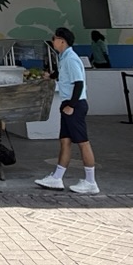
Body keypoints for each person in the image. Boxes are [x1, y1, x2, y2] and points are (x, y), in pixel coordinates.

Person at [35, 27, 99, 194]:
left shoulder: (70, 59)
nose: (52, 40)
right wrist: (51, 76)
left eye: (54, 38)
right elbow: (63, 74)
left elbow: (79, 83)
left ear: (62, 41)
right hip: (68, 104)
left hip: (75, 105)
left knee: (83, 142)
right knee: (65, 141)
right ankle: (57, 177)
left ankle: (91, 181)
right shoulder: (64, 58)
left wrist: (71, 105)